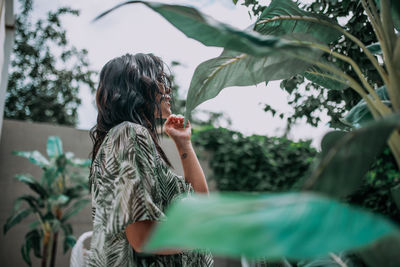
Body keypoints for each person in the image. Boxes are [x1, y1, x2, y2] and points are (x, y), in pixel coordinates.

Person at [88, 53, 214, 266]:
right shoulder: (130, 134)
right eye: (159, 79)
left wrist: (183, 143)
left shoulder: (124, 139)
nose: (167, 89)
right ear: (136, 86)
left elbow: (200, 202)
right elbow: (143, 238)